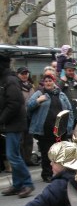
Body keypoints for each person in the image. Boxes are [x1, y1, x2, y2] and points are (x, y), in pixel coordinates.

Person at [27, 74, 74, 182]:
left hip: (60, 130)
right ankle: (47, 174)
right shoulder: (39, 93)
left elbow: (69, 110)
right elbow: (29, 106)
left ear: (54, 82)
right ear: (43, 83)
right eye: (46, 81)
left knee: (60, 152)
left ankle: (60, 172)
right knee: (47, 153)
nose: (48, 83)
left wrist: (69, 126)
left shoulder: (61, 94)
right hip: (45, 130)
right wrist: (38, 101)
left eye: (50, 80)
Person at [0, 54, 35, 198]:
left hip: (14, 123)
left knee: (13, 155)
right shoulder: (6, 80)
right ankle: (17, 184)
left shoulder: (10, 80)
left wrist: (1, 119)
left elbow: (14, 103)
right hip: (11, 123)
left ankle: (27, 184)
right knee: (14, 154)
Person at [16, 66, 35, 165]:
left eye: (26, 73)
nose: (24, 75)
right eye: (22, 73)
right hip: (20, 117)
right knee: (21, 141)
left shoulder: (31, 86)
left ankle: (28, 159)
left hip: (30, 117)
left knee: (29, 140)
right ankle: (22, 160)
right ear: (18, 74)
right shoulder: (16, 86)